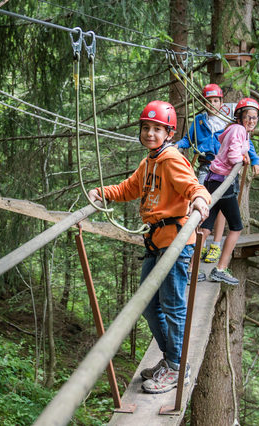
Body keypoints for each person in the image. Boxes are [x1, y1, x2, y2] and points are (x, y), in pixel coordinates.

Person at [88, 100, 211, 394]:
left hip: (175, 244)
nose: (150, 133)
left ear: (169, 134)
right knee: (147, 305)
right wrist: (102, 192)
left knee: (172, 306)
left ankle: (178, 366)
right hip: (156, 243)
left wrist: (200, 199)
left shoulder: (171, 159)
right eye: (146, 128)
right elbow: (130, 188)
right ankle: (172, 359)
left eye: (157, 129)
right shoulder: (149, 162)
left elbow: (194, 187)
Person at [177, 84, 259, 264]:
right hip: (208, 165)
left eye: (216, 100)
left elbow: (246, 142)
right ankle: (196, 245)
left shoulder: (228, 121)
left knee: (222, 208)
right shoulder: (200, 121)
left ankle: (214, 245)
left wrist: (254, 159)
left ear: (221, 102)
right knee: (200, 202)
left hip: (224, 169)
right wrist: (177, 145)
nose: (212, 104)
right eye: (209, 101)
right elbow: (188, 139)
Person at [201, 97, 259, 285]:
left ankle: (189, 268)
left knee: (204, 228)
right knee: (236, 227)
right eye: (248, 117)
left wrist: (247, 156)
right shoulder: (238, 130)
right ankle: (220, 269)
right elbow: (233, 154)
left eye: (254, 117)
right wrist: (241, 159)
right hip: (224, 182)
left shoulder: (238, 130)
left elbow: (226, 142)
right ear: (239, 117)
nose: (251, 121)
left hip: (215, 180)